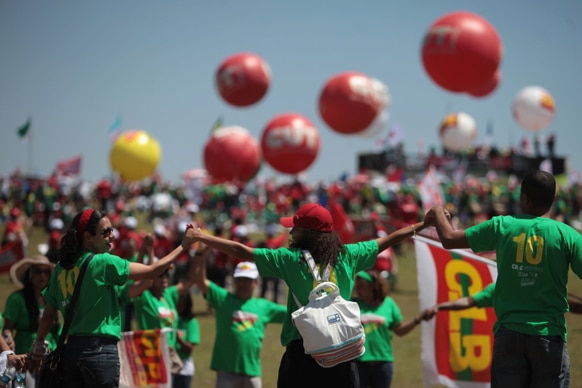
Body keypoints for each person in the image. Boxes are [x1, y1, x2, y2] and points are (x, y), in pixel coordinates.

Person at [189, 202, 433, 388]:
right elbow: (386, 241)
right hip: (342, 353)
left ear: (307, 233)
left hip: (301, 355)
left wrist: (201, 237)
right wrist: (421, 225)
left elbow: (241, 251)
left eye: (295, 227)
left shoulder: (289, 259)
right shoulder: (349, 255)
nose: (291, 232)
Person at [426, 170, 582, 388]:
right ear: (552, 201)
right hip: (549, 335)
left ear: (523, 198)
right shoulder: (568, 235)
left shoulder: (502, 226)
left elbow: (450, 239)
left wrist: (437, 212)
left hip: (509, 335)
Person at [29, 208, 197, 388]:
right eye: (105, 231)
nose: (113, 236)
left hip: (71, 352)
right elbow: (152, 272)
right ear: (87, 236)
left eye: (112, 230)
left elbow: (48, 315)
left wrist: (38, 343)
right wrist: (184, 245)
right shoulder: (103, 262)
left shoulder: (61, 268)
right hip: (100, 353)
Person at [192, 254, 287, 388]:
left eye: (247, 280)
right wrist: (200, 257)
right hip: (226, 371)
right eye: (240, 279)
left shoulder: (264, 306)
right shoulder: (223, 299)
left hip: (252, 371)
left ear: (256, 282)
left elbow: (292, 312)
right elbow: (200, 281)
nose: (243, 283)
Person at [353, 270, 432, 388]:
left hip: (383, 363)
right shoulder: (352, 305)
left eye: (362, 287)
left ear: (373, 287)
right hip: (359, 363)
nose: (358, 290)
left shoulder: (388, 304)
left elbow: (399, 330)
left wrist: (417, 320)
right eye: (357, 287)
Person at [3, 255, 60, 388]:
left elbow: (57, 330)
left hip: (49, 360)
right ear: (30, 274)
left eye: (46, 272)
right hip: (25, 360)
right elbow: (7, 327)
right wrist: (8, 337)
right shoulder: (17, 299)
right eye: (38, 271)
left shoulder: (52, 300)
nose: (42, 276)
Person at [173, 292, 200, 388]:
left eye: (182, 303)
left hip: (183, 369)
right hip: (167, 367)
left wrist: (176, 338)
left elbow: (189, 349)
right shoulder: (170, 319)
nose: (179, 305)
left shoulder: (191, 322)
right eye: (177, 302)